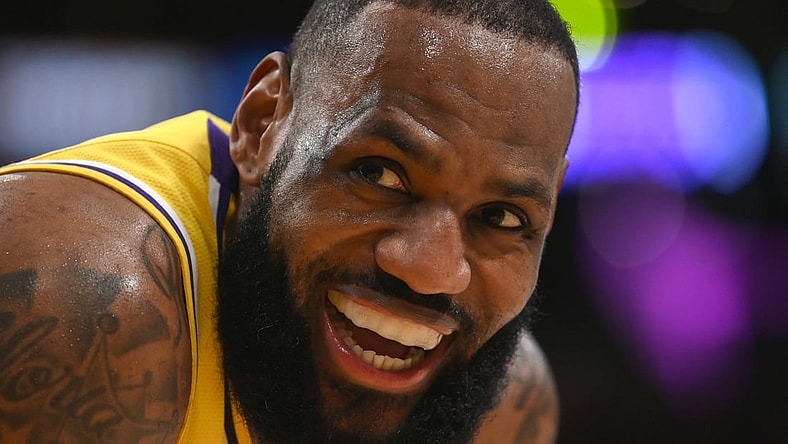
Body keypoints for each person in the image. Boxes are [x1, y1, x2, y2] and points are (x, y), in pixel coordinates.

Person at [0, 0, 579, 442]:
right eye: (380, 175)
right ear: (260, 126)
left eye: (501, 217)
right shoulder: (77, 314)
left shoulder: (506, 412)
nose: (429, 270)